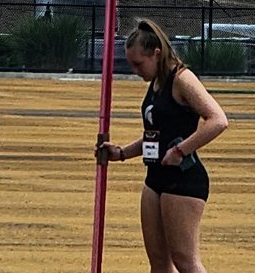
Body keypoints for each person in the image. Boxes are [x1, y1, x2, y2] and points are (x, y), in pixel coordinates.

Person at [97, 18, 228, 273]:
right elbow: (155, 135)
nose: (135, 71)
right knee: (158, 263)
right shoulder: (155, 84)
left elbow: (218, 120)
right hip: (154, 179)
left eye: (138, 64)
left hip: (183, 181)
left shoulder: (182, 79)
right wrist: (122, 153)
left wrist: (181, 150)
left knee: (185, 261)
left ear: (156, 54)